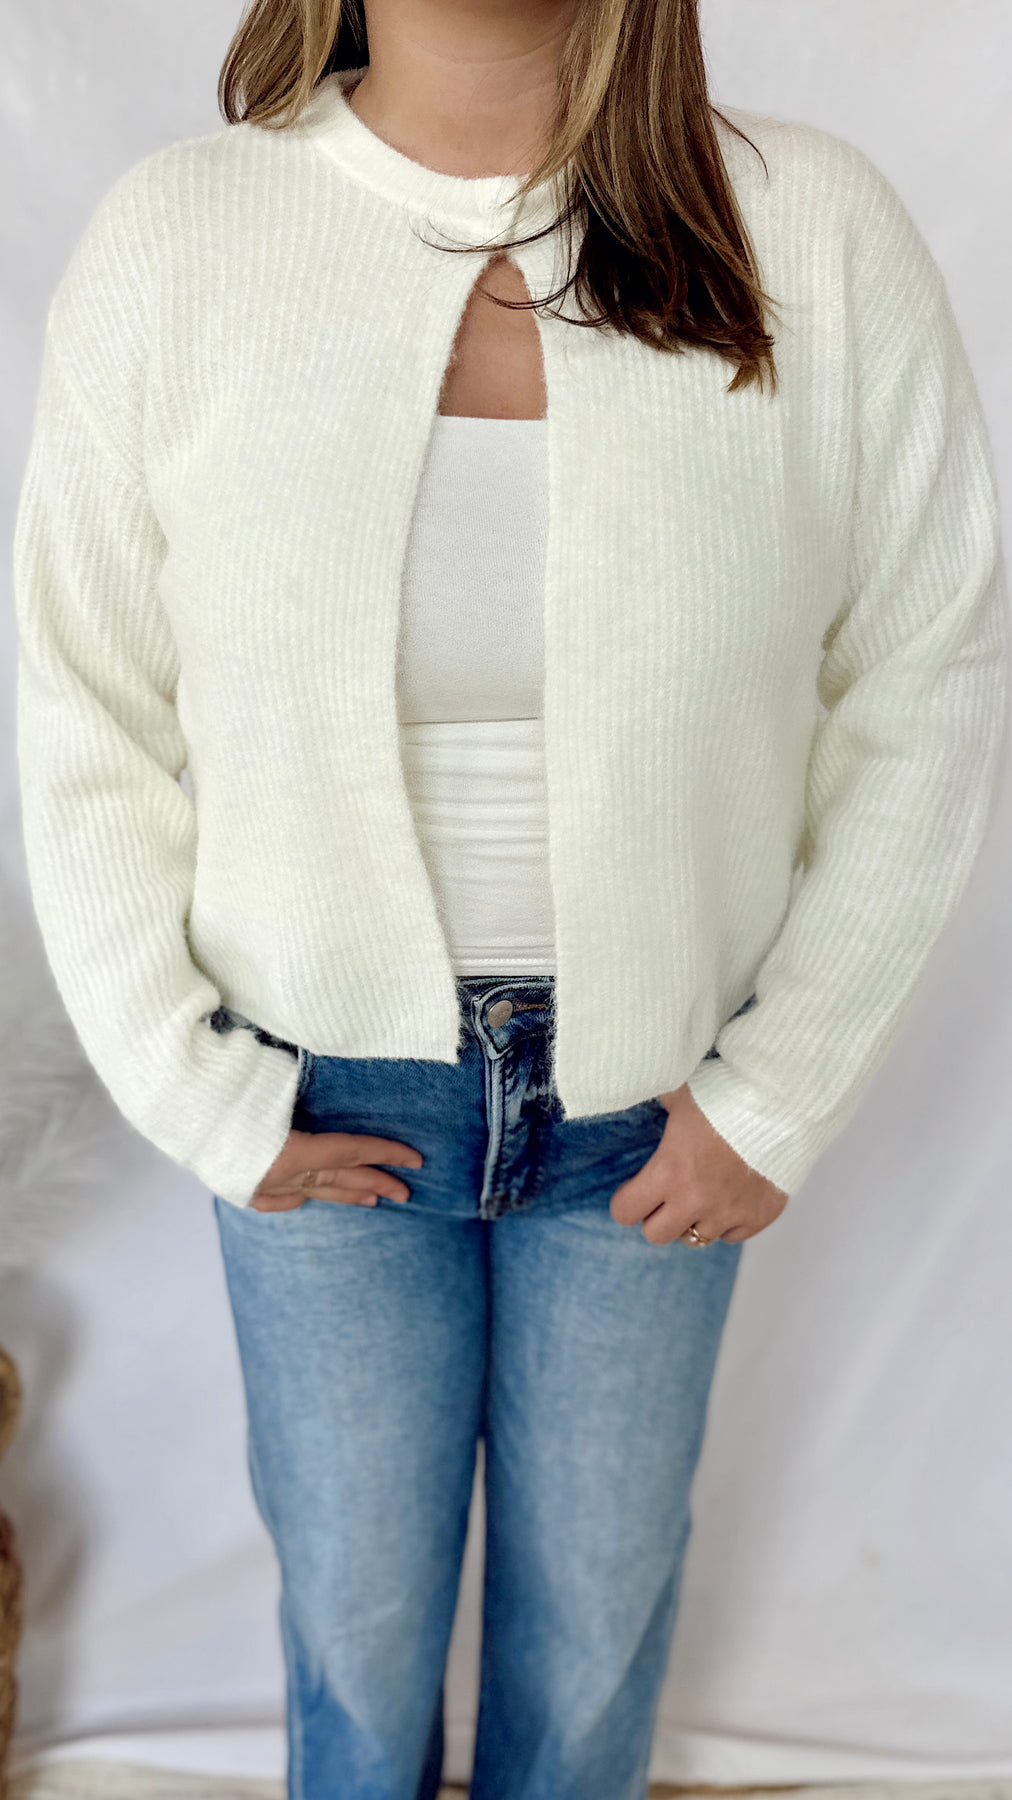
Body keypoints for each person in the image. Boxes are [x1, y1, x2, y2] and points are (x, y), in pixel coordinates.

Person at [12, 0, 1007, 1794]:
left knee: (601, 1623)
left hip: (657, 1103)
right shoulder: (185, 235)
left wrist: (780, 1090)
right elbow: (84, 701)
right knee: (355, 1630)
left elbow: (930, 670)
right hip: (321, 1091)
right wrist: (200, 1094)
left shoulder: (812, 228)